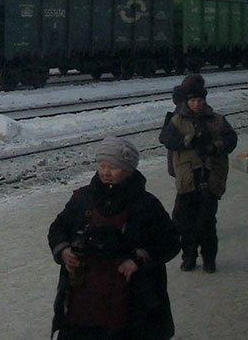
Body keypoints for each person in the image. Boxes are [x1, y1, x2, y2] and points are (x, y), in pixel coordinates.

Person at [48, 137, 179, 340]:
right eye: (102, 165)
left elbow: (170, 241)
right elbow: (58, 228)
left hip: (129, 299)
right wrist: (64, 251)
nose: (106, 172)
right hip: (83, 295)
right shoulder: (83, 198)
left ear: (129, 169)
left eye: (113, 167)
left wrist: (139, 258)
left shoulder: (146, 204)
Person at [159, 78, 237, 273]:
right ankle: (189, 257)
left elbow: (231, 139)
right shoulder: (177, 120)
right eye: (193, 100)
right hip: (187, 178)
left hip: (211, 177)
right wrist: (188, 140)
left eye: (200, 100)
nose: (197, 104)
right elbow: (167, 139)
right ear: (187, 102)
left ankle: (209, 260)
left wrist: (216, 146)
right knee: (187, 223)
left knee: (207, 222)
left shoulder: (217, 119)